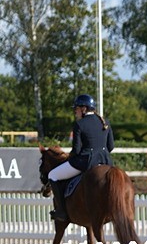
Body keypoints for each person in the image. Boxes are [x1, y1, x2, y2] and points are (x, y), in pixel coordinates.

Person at [47, 94, 115, 222]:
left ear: (84, 109)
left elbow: (77, 150)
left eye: (76, 109)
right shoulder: (105, 122)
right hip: (106, 162)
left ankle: (61, 211)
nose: (75, 112)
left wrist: (70, 157)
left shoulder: (80, 124)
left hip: (85, 162)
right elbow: (110, 146)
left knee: (52, 175)